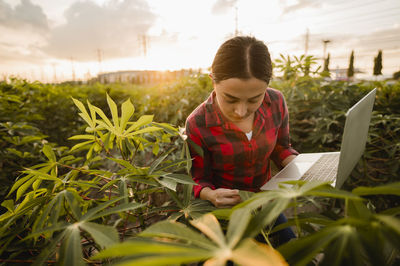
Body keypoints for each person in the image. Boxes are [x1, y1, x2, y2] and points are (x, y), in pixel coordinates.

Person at [185, 36, 298, 245]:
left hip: (265, 203)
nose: (241, 111)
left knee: (295, 253)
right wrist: (210, 195)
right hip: (226, 215)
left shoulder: (276, 102)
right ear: (213, 80)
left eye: (255, 99)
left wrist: (295, 164)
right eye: (230, 99)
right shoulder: (198, 123)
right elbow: (197, 178)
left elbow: (281, 147)